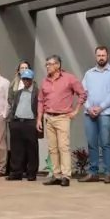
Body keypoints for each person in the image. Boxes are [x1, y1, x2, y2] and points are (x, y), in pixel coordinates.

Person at [37, 55, 86, 187]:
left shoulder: (69, 78)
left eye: (50, 64)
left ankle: (66, 175)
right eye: (46, 64)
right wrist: (39, 118)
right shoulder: (45, 81)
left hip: (62, 117)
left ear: (58, 65)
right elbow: (41, 100)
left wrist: (76, 110)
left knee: (63, 147)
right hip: (48, 117)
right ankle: (56, 175)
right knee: (52, 148)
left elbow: (82, 94)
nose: (47, 66)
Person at [80, 46, 110, 183]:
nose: (101, 57)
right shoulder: (88, 74)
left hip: (106, 113)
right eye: (99, 55)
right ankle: (93, 173)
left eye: (103, 55)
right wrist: (89, 108)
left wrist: (100, 108)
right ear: (95, 56)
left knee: (105, 143)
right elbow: (83, 93)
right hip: (89, 113)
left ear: (107, 56)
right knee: (92, 143)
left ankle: (108, 172)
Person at [5, 69, 40, 181]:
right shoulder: (19, 92)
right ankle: (16, 172)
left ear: (32, 79)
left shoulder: (37, 92)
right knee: (16, 148)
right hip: (17, 121)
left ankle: (31, 173)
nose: (26, 81)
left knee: (32, 149)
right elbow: (12, 104)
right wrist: (12, 120)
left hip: (30, 122)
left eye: (28, 79)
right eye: (24, 79)